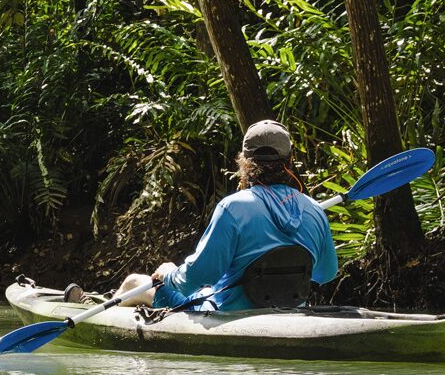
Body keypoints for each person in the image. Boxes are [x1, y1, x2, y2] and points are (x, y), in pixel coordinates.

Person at [114, 120, 337, 312]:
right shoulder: (313, 209)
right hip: (289, 315)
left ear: (245, 161)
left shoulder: (233, 208)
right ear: (289, 161)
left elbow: (193, 280)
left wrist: (168, 273)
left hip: (226, 316)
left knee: (134, 282)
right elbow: (325, 274)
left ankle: (101, 313)